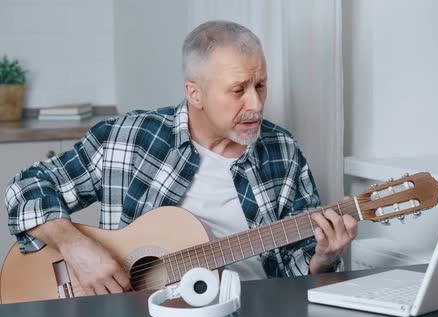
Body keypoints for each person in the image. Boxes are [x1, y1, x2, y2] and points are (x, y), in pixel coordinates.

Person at [5, 20, 358, 296]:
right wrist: (77, 247)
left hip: (252, 312)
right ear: (195, 93)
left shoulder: (282, 152)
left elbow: (295, 274)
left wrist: (324, 258)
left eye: (260, 85)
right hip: (128, 315)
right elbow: (25, 189)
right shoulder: (129, 138)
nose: (256, 104)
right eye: (238, 90)